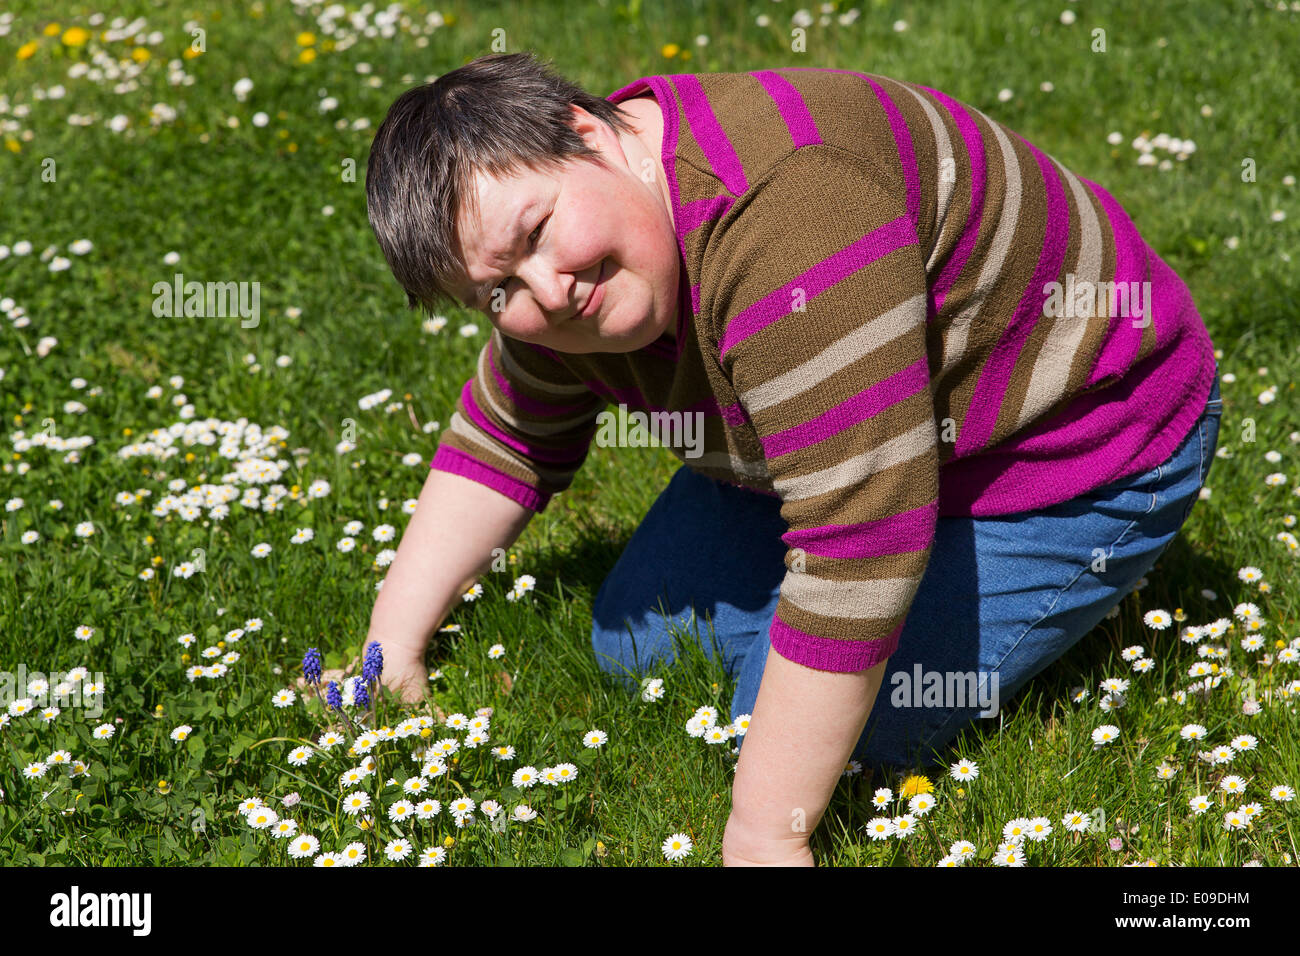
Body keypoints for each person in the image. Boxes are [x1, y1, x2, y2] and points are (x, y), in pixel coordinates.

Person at [362, 52, 1220, 865]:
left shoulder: (789, 216)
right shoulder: (572, 282)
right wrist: (390, 645)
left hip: (1068, 454)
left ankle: (1056, 582)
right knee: (640, 645)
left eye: (541, 230)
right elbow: (509, 434)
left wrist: (765, 838)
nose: (551, 290)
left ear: (588, 131)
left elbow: (863, 546)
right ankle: (814, 541)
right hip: (846, 442)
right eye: (496, 291)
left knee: (807, 734)